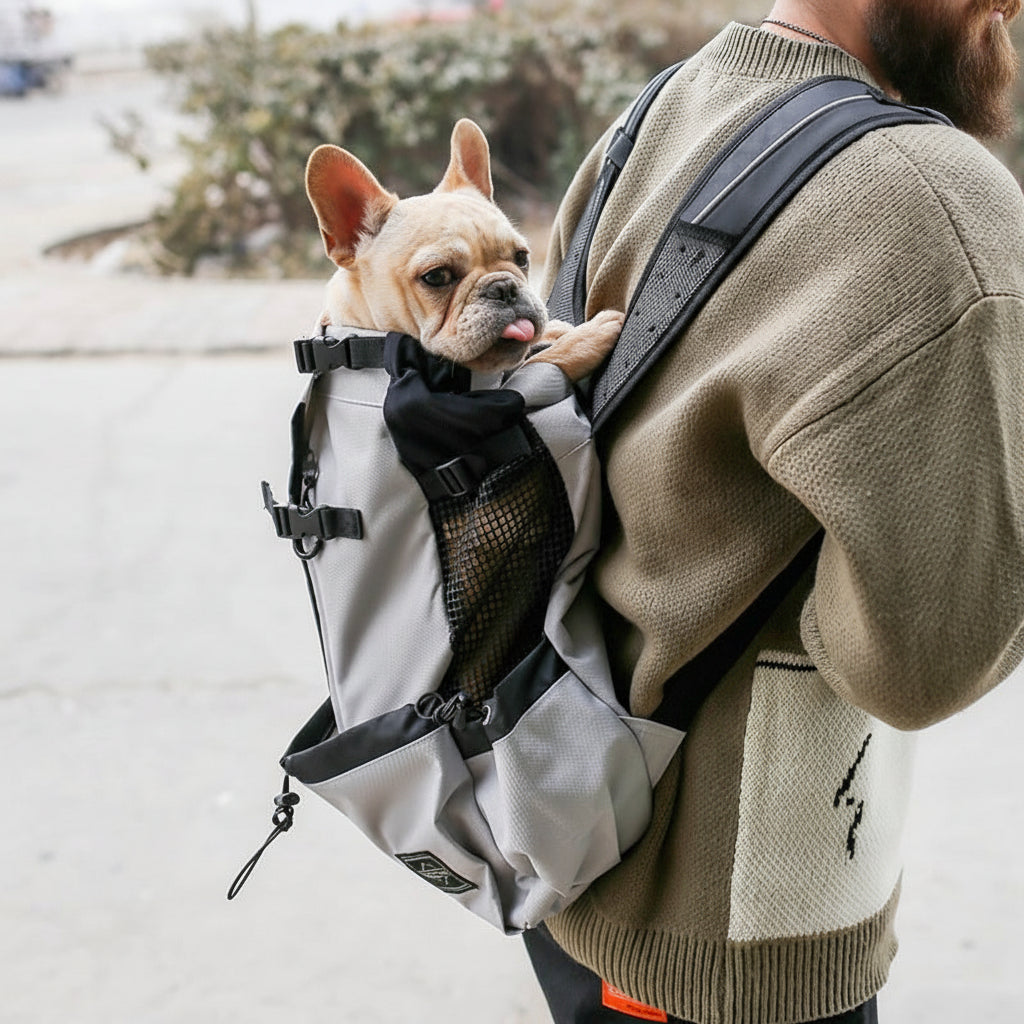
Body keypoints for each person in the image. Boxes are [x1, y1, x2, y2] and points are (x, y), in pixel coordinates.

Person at [523, 2, 1024, 1022]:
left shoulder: (659, 109)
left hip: (567, 855)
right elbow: (923, 660)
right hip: (741, 937)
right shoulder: (930, 196)